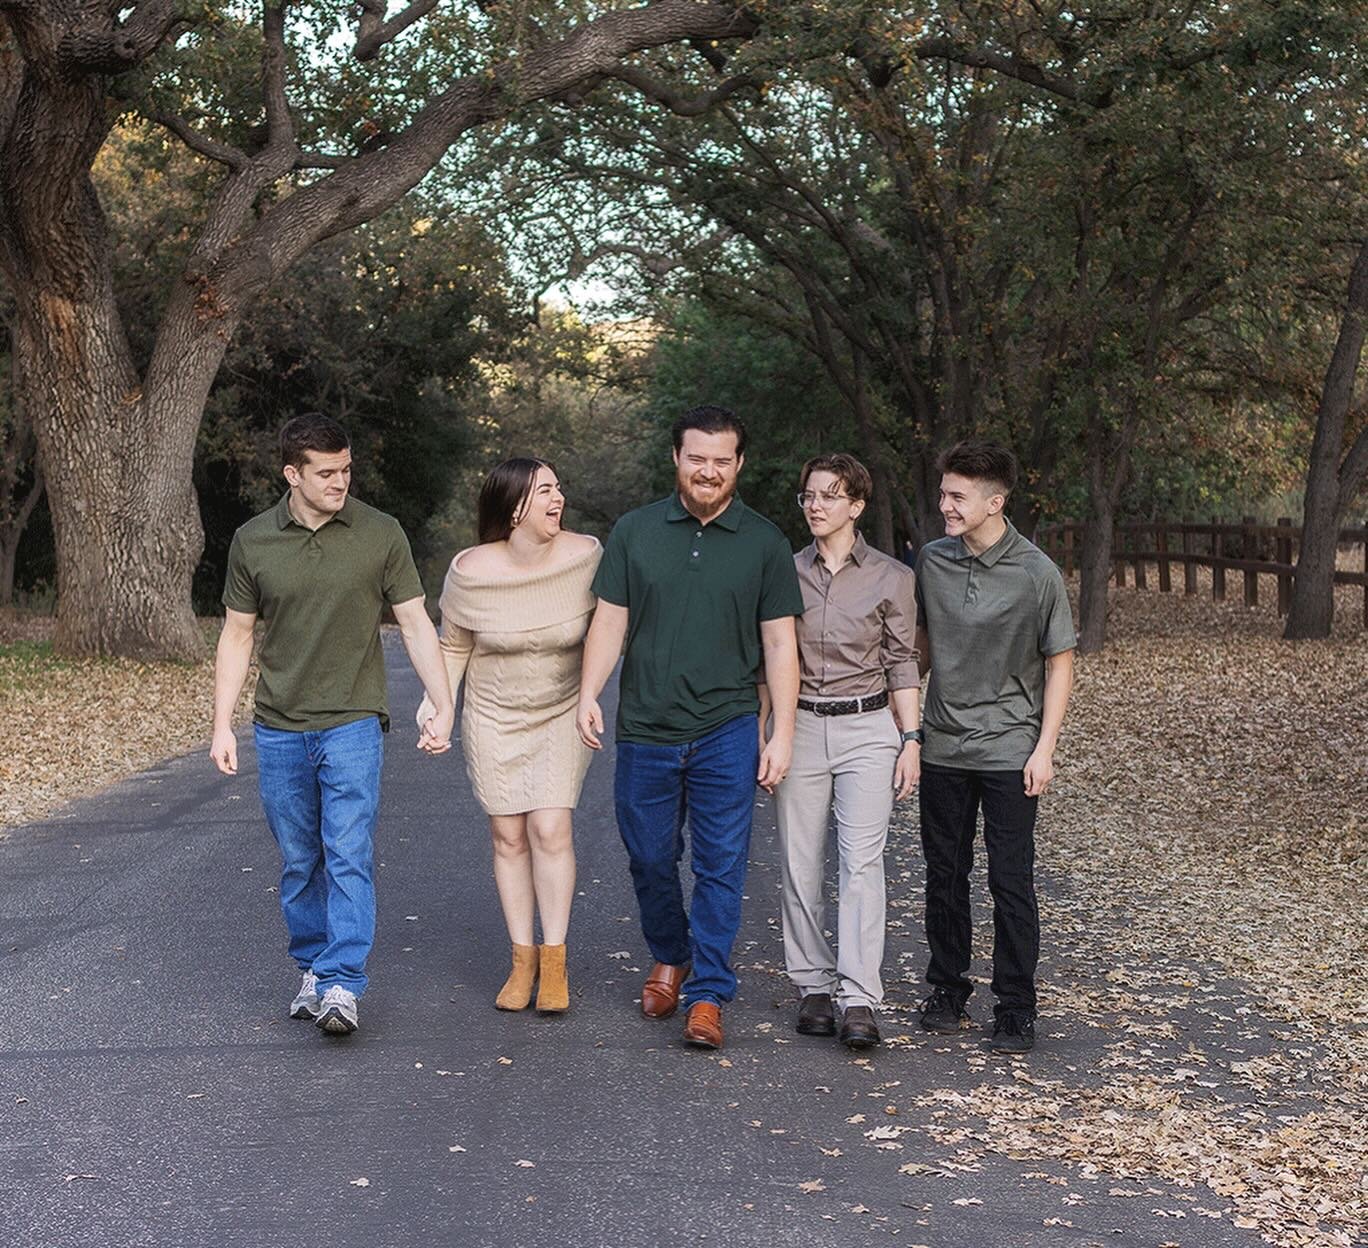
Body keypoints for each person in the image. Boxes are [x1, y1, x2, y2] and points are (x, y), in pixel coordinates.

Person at [210, 413, 454, 1037]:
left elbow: (415, 622)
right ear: (291, 474)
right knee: (299, 859)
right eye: (325, 473)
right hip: (279, 725)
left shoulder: (380, 533)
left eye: (345, 470)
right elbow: (237, 636)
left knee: (347, 851)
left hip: (352, 720)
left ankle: (342, 981)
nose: (340, 482)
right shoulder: (253, 541)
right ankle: (313, 968)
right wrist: (221, 724)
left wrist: (442, 700)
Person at [576, 405, 803, 1051]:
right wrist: (588, 693)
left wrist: (781, 732)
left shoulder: (764, 542)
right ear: (676, 458)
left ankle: (707, 992)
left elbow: (780, 644)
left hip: (727, 726)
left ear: (739, 464)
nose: (708, 471)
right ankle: (670, 954)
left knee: (720, 865)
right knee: (649, 857)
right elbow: (610, 621)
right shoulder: (635, 531)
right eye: (697, 458)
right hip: (646, 726)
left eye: (721, 460)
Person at [417, 459, 600, 1014]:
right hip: (494, 715)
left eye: (559, 488)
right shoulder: (471, 571)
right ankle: (522, 960)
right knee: (508, 835)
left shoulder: (586, 557)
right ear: (514, 506)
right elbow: (453, 647)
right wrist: (439, 707)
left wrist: (594, 695)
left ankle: (555, 959)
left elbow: (609, 629)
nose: (558, 498)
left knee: (550, 827)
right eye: (545, 491)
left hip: (560, 711)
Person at [913, 440, 1076, 1054]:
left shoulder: (1037, 573)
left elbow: (1060, 664)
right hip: (942, 745)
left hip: (1010, 749)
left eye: (957, 497)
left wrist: (1045, 748)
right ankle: (948, 989)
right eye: (944, 493)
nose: (945, 506)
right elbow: (922, 649)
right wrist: (896, 716)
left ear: (994, 502)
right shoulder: (932, 561)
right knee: (944, 876)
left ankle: (1015, 1007)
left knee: (1010, 879)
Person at [767, 453, 921, 1051]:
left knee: (861, 864)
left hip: (868, 729)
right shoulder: (784, 571)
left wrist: (910, 740)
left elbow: (901, 661)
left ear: (856, 505)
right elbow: (770, 657)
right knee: (799, 861)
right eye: (808, 495)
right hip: (801, 724)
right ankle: (812, 984)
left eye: (829, 496)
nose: (815, 505)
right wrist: (769, 732)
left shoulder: (892, 577)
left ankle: (859, 996)